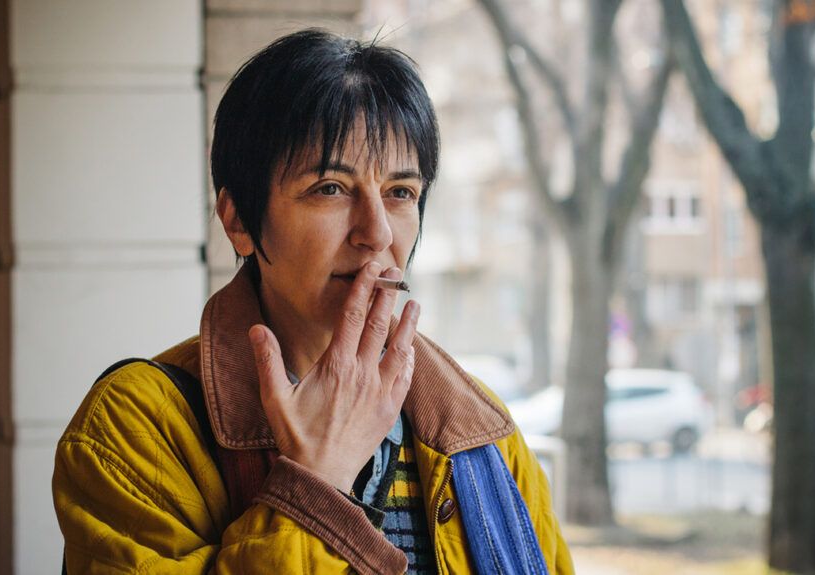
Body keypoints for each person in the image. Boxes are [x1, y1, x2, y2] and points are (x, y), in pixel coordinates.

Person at [53, 28, 574, 574]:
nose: (375, 233)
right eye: (330, 187)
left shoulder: (481, 433)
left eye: (400, 192)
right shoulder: (137, 426)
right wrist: (316, 479)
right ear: (239, 221)